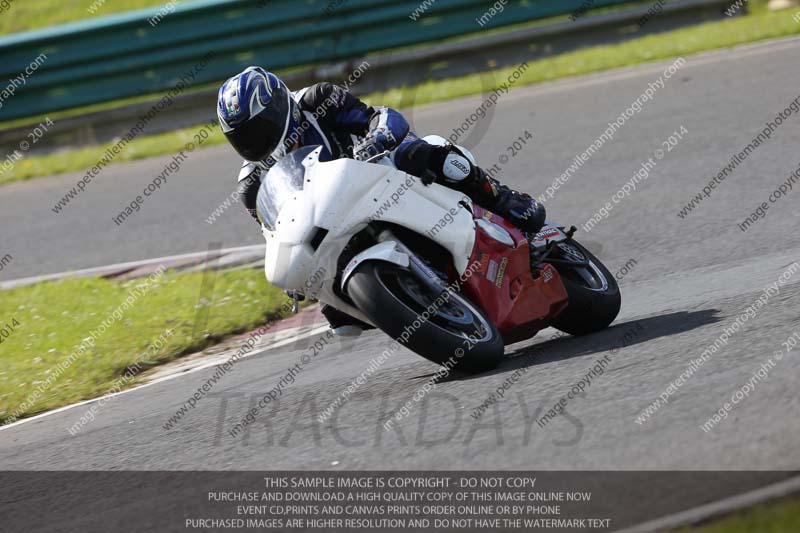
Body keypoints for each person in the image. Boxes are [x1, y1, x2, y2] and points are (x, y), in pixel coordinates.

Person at [217, 66, 546, 333]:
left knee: (427, 155)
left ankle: (503, 199)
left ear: (278, 106)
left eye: (258, 128)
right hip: (335, 221)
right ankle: (408, 300)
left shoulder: (318, 101)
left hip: (380, 172)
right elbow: (276, 232)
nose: (252, 142)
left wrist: (378, 137)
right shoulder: (251, 184)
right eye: (241, 137)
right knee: (336, 313)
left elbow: (380, 117)